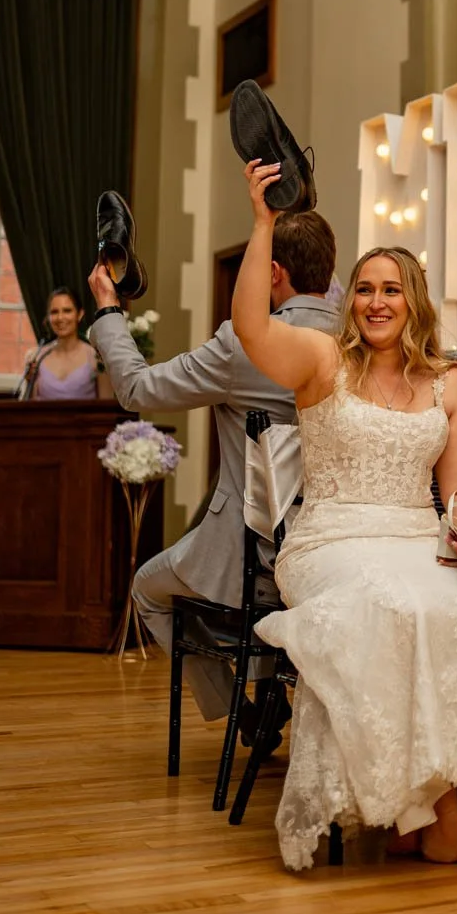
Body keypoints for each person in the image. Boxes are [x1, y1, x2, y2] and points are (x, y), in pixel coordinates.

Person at [233, 158, 457, 871]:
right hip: (333, 538)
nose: (376, 302)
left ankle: (412, 808)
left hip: (418, 537)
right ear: (348, 300)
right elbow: (248, 328)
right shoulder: (323, 361)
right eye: (364, 289)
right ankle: (432, 810)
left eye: (391, 289)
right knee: (393, 609)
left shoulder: (447, 382)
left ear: (413, 300)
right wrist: (264, 223)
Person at [87, 210, 340, 723]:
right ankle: (269, 685)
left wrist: (109, 310)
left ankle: (242, 712)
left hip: (254, 557)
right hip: (336, 553)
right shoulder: (359, 342)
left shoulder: (246, 343)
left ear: (272, 273)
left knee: (148, 589)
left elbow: (137, 390)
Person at [22, 287, 112, 400]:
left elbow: (106, 407)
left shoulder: (97, 357)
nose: (60, 318)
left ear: (79, 314)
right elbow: (28, 408)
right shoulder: (35, 356)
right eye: (54, 312)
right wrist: (29, 380)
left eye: (67, 311)